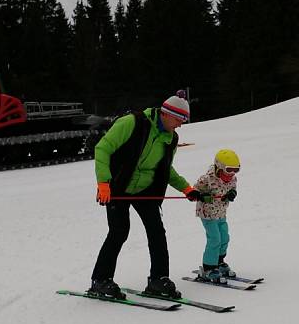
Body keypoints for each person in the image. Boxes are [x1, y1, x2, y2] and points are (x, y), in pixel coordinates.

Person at [88, 94, 204, 300]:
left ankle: (158, 280)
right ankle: (101, 280)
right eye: (180, 120)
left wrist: (186, 189)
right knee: (119, 231)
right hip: (118, 187)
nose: (181, 125)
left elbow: (165, 169)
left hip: (146, 191)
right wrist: (104, 183)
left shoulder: (171, 138)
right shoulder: (132, 123)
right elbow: (103, 149)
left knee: (157, 231)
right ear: (168, 114)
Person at [194, 149, 241, 283]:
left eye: (236, 170)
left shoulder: (232, 179)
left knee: (224, 237)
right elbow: (195, 190)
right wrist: (201, 195)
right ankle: (208, 268)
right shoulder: (207, 179)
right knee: (215, 239)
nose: (232, 174)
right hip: (207, 214)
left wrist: (232, 193)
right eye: (229, 170)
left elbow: (233, 188)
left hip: (221, 213)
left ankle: (219, 262)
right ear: (219, 167)